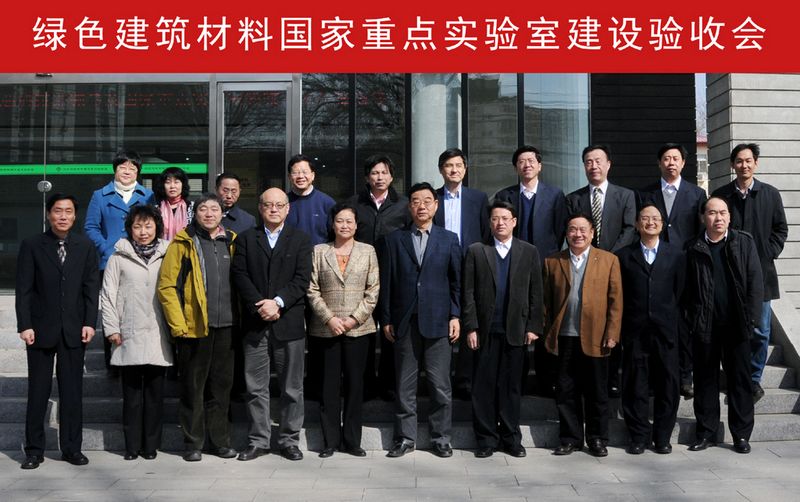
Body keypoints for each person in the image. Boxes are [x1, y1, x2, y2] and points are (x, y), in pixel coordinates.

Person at [16, 193, 100, 469]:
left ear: (75, 216)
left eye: (68, 211)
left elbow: (91, 288)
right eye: (57, 210)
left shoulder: (85, 246)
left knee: (72, 393)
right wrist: (25, 325)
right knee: (38, 392)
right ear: (48, 214)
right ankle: (34, 450)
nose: (63, 216)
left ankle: (72, 449)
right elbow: (24, 289)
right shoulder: (32, 245)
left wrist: (89, 322)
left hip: (74, 329)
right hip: (40, 329)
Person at [379, 182, 462, 458]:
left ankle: (441, 438)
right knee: (405, 384)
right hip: (404, 321)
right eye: (415, 201)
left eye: (427, 201)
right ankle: (405, 438)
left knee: (440, 384)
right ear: (409, 206)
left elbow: (456, 282)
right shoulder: (394, 240)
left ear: (436, 206)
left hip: (439, 320)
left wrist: (455, 315)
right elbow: (387, 282)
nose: (421, 206)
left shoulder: (449, 239)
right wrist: (387, 318)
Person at [232, 188, 313, 462]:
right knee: (255, 387)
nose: (274, 209)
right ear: (260, 208)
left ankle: (289, 440)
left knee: (292, 387)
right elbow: (240, 275)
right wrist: (261, 305)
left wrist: (277, 302)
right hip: (255, 324)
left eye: (279, 205)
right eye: (268, 205)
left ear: (288, 209)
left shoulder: (301, 240)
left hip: (288, 323)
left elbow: (302, 279)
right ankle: (258, 440)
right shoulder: (246, 239)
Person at [157, 193, 238, 462]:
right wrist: (178, 324)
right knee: (193, 388)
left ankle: (220, 441)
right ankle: (193, 443)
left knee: (221, 388)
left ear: (222, 213)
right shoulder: (183, 242)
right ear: (195, 213)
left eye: (214, 209)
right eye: (203, 209)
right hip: (194, 328)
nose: (209, 214)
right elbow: (167, 286)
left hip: (227, 326)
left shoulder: (232, 242)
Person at [462, 200, 543, 458]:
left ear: (514, 222)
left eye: (505, 218)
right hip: (485, 330)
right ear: (489, 222)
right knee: (483, 387)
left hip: (516, 330)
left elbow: (536, 292)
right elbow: (468, 293)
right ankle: (486, 439)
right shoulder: (477, 250)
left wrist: (534, 325)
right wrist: (471, 327)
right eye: (495, 218)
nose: (500, 223)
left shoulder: (529, 251)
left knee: (511, 388)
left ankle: (511, 438)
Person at [684, 197, 763, 454]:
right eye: (712, 213)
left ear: (729, 216)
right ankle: (706, 433)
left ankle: (741, 435)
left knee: (739, 381)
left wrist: (751, 318)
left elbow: (755, 283)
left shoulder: (744, 242)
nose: (718, 218)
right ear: (702, 217)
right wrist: (691, 319)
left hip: (736, 324)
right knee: (705, 381)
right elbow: (686, 289)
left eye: (723, 213)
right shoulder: (693, 247)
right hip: (705, 324)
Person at [711, 143, 788, 404]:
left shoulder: (770, 194)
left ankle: (753, 380)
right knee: (728, 329)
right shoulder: (722, 195)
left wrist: (768, 252)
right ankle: (734, 375)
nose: (744, 165)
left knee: (760, 330)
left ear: (756, 163)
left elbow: (780, 229)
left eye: (748, 160)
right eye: (739, 161)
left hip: (761, 274)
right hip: (727, 274)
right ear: (732, 165)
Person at [543, 213, 622, 457]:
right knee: (566, 390)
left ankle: (597, 438)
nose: (577, 234)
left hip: (597, 336)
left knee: (597, 391)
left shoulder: (608, 260)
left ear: (592, 233)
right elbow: (545, 301)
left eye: (582, 229)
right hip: (564, 335)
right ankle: (570, 438)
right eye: (572, 229)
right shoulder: (553, 261)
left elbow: (616, 301)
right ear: (566, 233)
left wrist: (612, 332)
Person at [306, 202, 379, 458]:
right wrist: (329, 318)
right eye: (340, 221)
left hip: (358, 329)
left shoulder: (368, 251)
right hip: (326, 329)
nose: (344, 225)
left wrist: (353, 319)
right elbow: (311, 289)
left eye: (349, 221)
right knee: (328, 386)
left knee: (355, 385)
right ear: (332, 224)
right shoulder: (319, 251)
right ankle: (330, 441)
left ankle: (352, 440)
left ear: (356, 225)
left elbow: (373, 290)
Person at [494, 145, 568, 398]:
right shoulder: (505, 195)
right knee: (514, 320)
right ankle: (517, 379)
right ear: (516, 167)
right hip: (512, 267)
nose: (526, 165)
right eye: (521, 161)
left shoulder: (555, 195)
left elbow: (559, 230)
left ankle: (546, 380)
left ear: (540, 166)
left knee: (543, 320)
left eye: (531, 161)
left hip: (545, 266)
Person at [100, 205, 173, 460]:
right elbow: (108, 294)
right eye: (137, 226)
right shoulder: (118, 257)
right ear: (130, 229)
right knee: (131, 397)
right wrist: (111, 328)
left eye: (148, 226)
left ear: (157, 227)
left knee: (154, 396)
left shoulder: (168, 254)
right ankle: (131, 446)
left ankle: (150, 446)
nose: (143, 232)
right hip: (127, 332)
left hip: (158, 333)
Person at [566, 145, 635, 398]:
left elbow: (629, 229)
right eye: (588, 162)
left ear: (608, 164)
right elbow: (573, 232)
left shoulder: (626, 195)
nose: (593, 166)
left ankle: (612, 377)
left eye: (598, 161)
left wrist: (607, 258)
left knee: (613, 319)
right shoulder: (574, 198)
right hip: (582, 269)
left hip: (616, 265)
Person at [639, 143, 707, 400]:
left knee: (683, 322)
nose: (671, 163)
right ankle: (655, 377)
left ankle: (685, 375)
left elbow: (699, 230)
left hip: (685, 266)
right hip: (653, 266)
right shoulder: (645, 193)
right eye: (666, 158)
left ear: (683, 163)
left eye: (675, 158)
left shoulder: (697, 194)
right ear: (659, 163)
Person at [616, 204, 684, 455]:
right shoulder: (624, 256)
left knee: (668, 386)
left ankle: (663, 437)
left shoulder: (676, 255)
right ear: (637, 224)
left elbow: (681, 293)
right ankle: (638, 436)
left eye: (655, 218)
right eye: (645, 218)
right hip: (635, 331)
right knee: (635, 385)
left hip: (666, 331)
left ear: (662, 224)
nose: (650, 222)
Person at [85, 150, 155, 375]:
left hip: (141, 261)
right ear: (115, 169)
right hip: (111, 261)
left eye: (132, 168)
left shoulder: (148, 196)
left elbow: (154, 225)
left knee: (139, 309)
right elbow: (91, 227)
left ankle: (140, 357)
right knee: (113, 310)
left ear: (138, 172)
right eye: (123, 167)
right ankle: (113, 362)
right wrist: (107, 248)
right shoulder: (99, 196)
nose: (127, 171)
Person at [350, 155, 411, 402]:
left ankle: (389, 385)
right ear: (367, 177)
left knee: (390, 332)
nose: (379, 177)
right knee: (362, 332)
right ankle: (364, 385)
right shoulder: (354, 204)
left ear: (392, 176)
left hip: (392, 277)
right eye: (374, 173)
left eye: (384, 172)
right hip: (359, 279)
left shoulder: (403, 205)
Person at [433, 148, 490, 401]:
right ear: (441, 170)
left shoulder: (478, 198)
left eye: (458, 165)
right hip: (440, 267)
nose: (454, 170)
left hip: (471, 265)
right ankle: (440, 378)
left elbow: (485, 233)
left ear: (465, 169)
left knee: (469, 320)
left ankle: (465, 379)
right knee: (442, 320)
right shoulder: (433, 198)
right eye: (448, 165)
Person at [285, 153, 336, 246]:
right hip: (289, 253)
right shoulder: (282, 203)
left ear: (313, 175)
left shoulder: (327, 203)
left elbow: (335, 236)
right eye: (295, 173)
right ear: (289, 177)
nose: (300, 176)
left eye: (305, 172)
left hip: (319, 254)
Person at [154, 166, 194, 241]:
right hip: (163, 247)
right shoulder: (156, 210)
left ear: (183, 185)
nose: (172, 186)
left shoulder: (192, 207)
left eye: (176, 182)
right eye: (168, 182)